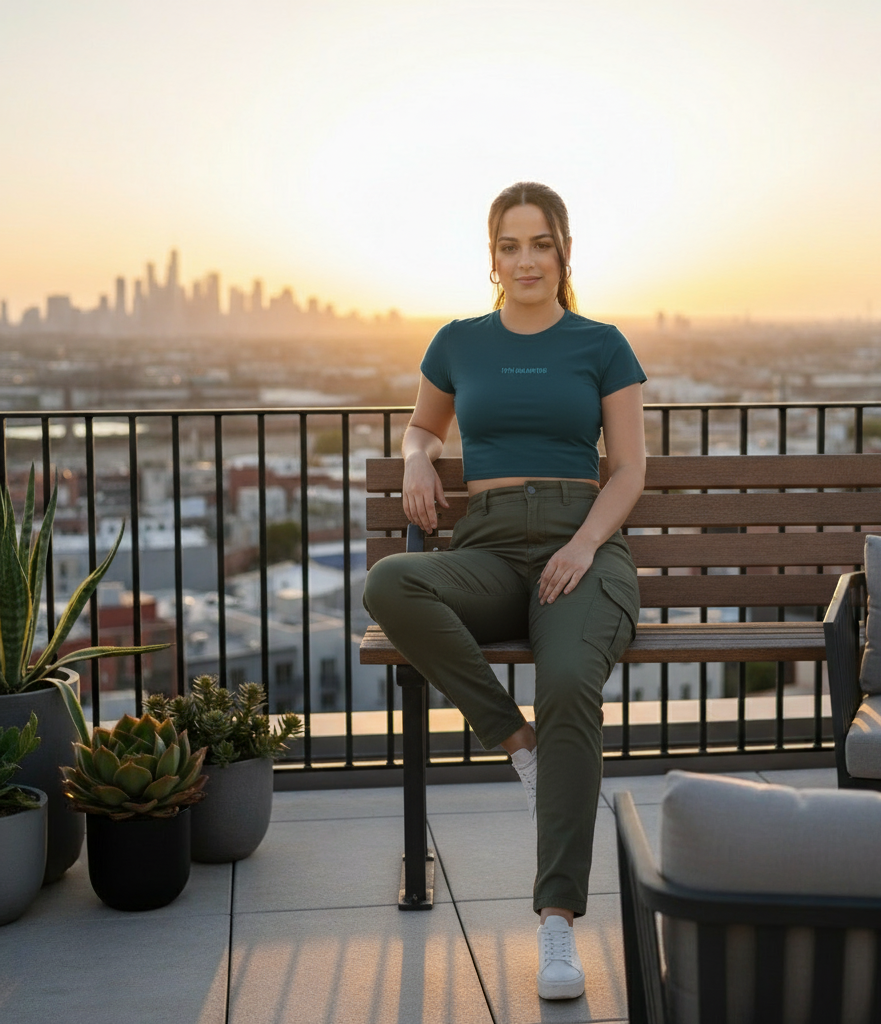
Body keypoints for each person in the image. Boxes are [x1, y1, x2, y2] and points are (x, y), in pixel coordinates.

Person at [362, 181, 647, 1000]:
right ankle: (513, 742)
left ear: (564, 251)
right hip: (485, 546)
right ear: (492, 257)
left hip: (583, 546)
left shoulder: (602, 343)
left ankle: (556, 925)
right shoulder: (459, 342)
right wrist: (418, 457)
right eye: (510, 245)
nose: (527, 260)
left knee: (568, 684)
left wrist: (586, 544)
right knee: (391, 582)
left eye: (542, 243)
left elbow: (628, 469)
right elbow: (423, 425)